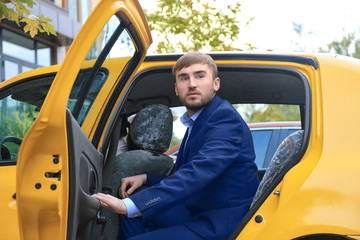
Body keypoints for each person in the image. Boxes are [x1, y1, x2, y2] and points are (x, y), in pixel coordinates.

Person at [93, 52, 259, 240]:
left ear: (216, 84)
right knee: (134, 203)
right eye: (184, 78)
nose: (192, 84)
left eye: (200, 76)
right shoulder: (198, 121)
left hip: (219, 222)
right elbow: (184, 173)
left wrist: (130, 205)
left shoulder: (225, 120)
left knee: (131, 207)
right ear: (176, 88)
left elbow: (197, 173)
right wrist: (146, 178)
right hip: (196, 208)